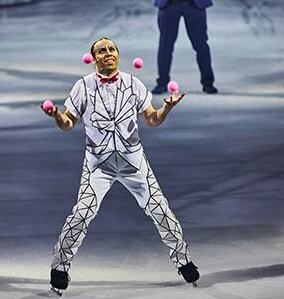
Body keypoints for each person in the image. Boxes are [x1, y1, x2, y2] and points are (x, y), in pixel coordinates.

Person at [41, 37, 200, 295]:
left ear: (118, 54)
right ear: (93, 58)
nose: (108, 53)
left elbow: (151, 119)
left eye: (112, 49)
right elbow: (69, 123)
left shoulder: (132, 84)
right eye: (101, 51)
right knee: (82, 213)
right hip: (98, 164)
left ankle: (183, 260)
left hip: (134, 163)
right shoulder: (83, 86)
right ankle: (59, 267)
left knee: (161, 211)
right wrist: (57, 116)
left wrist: (166, 109)